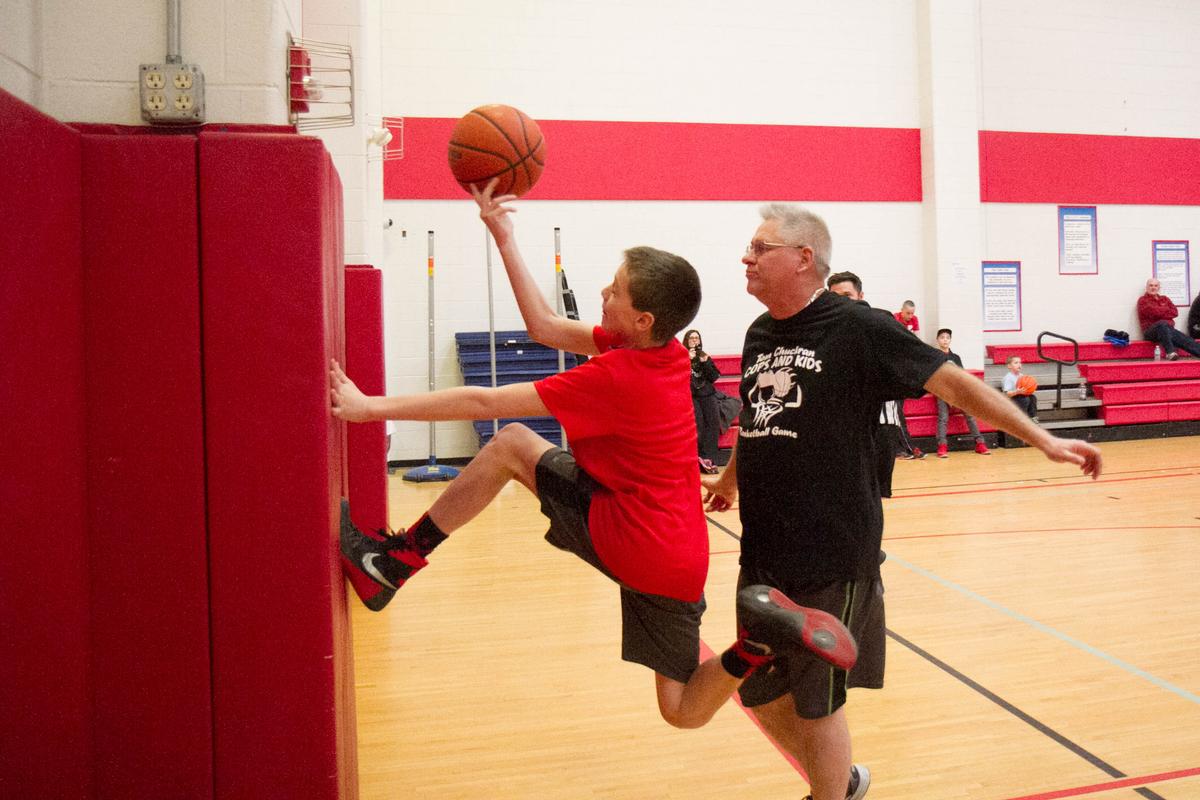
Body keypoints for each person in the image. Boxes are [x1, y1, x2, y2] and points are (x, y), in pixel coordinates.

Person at [330, 179, 857, 739]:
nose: (604, 293)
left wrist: (369, 409)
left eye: (616, 289)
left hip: (634, 538)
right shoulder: (663, 351)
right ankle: (754, 647)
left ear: (643, 319)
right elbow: (545, 327)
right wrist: (502, 234)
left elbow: (481, 399)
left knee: (509, 440)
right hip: (676, 550)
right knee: (680, 709)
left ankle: (393, 564)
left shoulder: (617, 375)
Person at [703, 203, 1102, 800]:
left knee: (818, 702)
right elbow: (763, 418)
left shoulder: (860, 326)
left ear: (804, 258)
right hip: (764, 546)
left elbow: (954, 383)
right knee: (758, 693)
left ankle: (828, 794)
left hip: (833, 548)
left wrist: (1040, 437)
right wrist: (733, 477)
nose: (747, 257)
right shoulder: (761, 333)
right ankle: (842, 783)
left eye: (761, 248)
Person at [826, 271, 903, 498]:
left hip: (881, 422)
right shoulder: (827, 330)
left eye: (847, 295)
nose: (842, 301)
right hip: (843, 426)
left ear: (860, 295)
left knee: (874, 493)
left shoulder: (880, 321)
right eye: (836, 297)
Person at [933, 328, 990, 458]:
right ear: (938, 340)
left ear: (950, 340)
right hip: (942, 390)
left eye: (947, 337)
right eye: (942, 337)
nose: (945, 340)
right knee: (943, 418)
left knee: (970, 414)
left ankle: (979, 443)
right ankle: (942, 446)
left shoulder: (956, 357)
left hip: (958, 390)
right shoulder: (934, 356)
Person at [684, 328, 721, 474]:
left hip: (707, 394)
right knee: (697, 426)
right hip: (692, 396)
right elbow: (679, 376)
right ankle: (697, 459)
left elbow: (713, 377)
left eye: (697, 338)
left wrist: (705, 362)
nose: (694, 340)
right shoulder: (682, 357)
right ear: (686, 341)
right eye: (691, 338)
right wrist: (688, 360)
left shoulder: (704, 356)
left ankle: (709, 459)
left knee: (713, 424)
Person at [1137, 278, 1200, 360]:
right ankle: (1170, 352)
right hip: (1150, 332)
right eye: (1151, 285)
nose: (1153, 287)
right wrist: (1165, 311)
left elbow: (1175, 312)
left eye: (1156, 286)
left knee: (1186, 339)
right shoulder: (1143, 300)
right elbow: (1154, 312)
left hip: (1167, 330)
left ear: (1159, 288)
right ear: (1147, 287)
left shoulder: (1165, 299)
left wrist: (1159, 311)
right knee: (1162, 324)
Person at [1001, 355, 1038, 422]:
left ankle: (1033, 418)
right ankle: (1021, 419)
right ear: (1009, 366)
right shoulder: (1008, 378)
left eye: (1020, 362)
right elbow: (1006, 394)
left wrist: (1031, 387)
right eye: (1016, 363)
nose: (1019, 364)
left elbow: (1027, 387)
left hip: (1019, 397)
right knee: (1024, 399)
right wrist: (1016, 392)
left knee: (1032, 397)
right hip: (1010, 399)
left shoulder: (1022, 376)